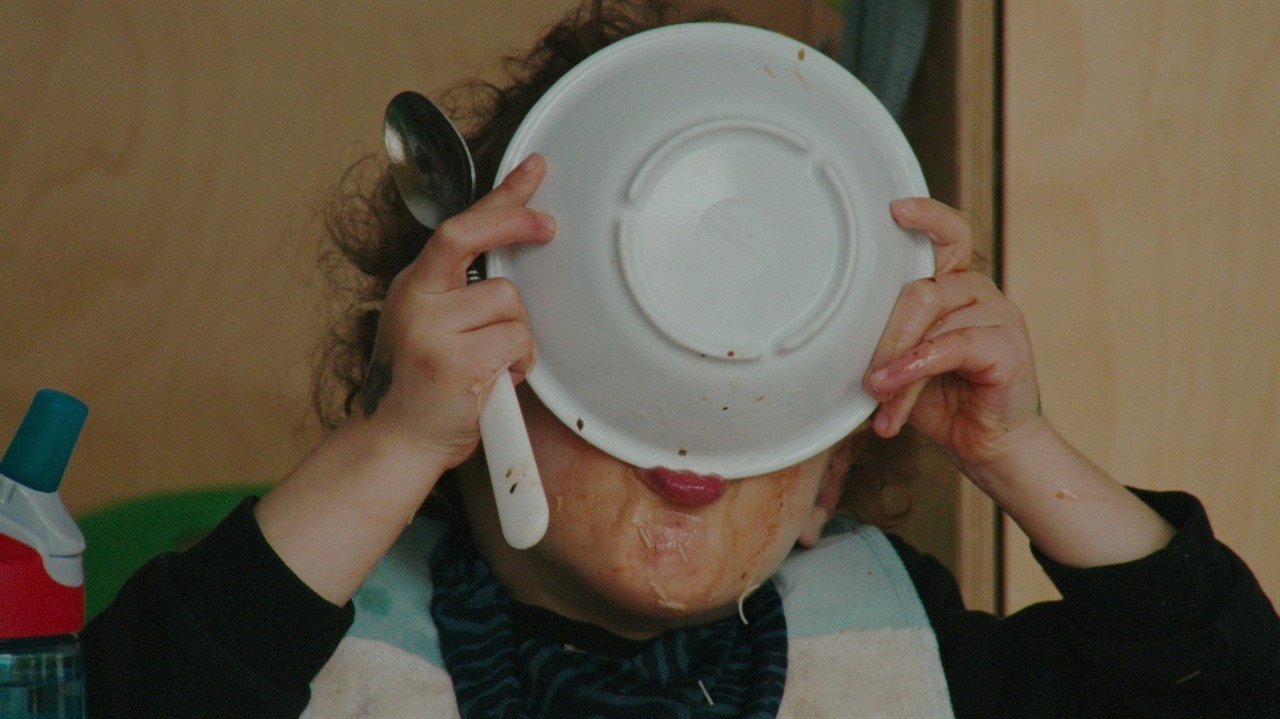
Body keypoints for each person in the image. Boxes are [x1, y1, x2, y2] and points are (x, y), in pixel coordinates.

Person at [81, 1, 1279, 717]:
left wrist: (1018, 449)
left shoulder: (908, 652)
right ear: (475, 399)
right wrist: (391, 441)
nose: (693, 439)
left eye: (761, 412)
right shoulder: (316, 640)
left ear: (824, 488)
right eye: (624, 389)